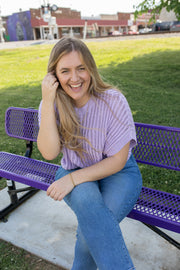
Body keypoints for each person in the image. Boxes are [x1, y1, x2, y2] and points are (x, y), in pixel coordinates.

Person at [37, 36, 142, 270]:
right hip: (73, 170)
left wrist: (72, 179)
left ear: (90, 69)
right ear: (53, 75)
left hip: (118, 173)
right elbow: (49, 152)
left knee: (90, 232)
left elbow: (117, 160)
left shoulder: (113, 100)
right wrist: (47, 100)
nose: (74, 78)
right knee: (95, 225)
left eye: (81, 68)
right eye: (65, 71)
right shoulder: (51, 104)